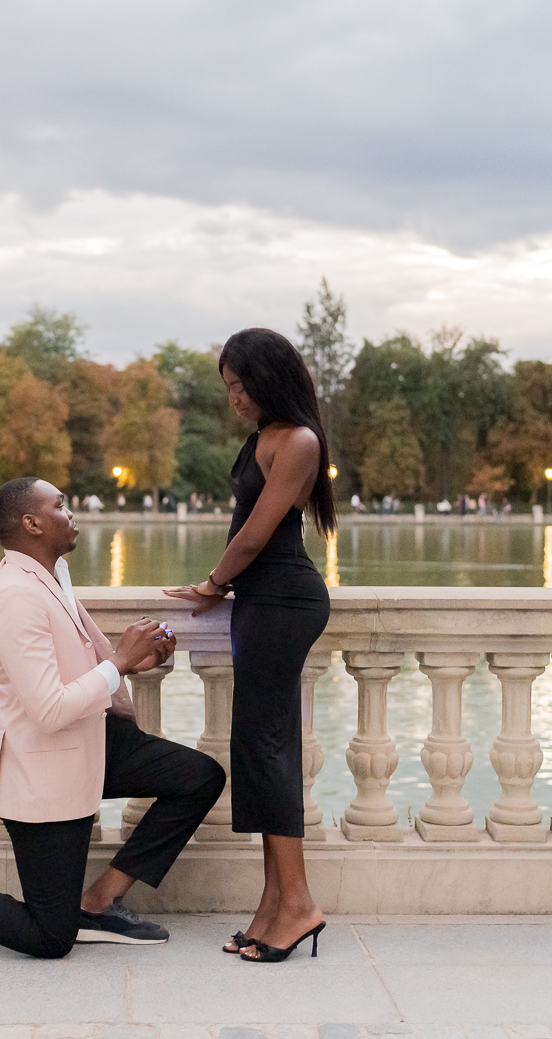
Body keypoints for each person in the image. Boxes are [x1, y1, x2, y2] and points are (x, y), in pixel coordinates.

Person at [0, 477, 225, 959]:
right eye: (61, 507)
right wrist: (118, 663)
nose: (72, 514)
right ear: (31, 523)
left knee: (199, 777)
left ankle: (99, 900)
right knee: (50, 937)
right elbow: (49, 709)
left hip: (93, 739)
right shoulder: (15, 596)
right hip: (44, 768)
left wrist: (134, 660)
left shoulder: (52, 575)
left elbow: (79, 666)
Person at [164, 327, 333, 964]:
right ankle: (273, 904)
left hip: (284, 600)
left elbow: (257, 535)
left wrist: (213, 583)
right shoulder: (266, 437)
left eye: (241, 384)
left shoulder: (298, 441)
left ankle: (299, 904)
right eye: (228, 387)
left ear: (270, 378)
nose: (234, 397)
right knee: (260, 748)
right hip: (262, 604)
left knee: (266, 751)